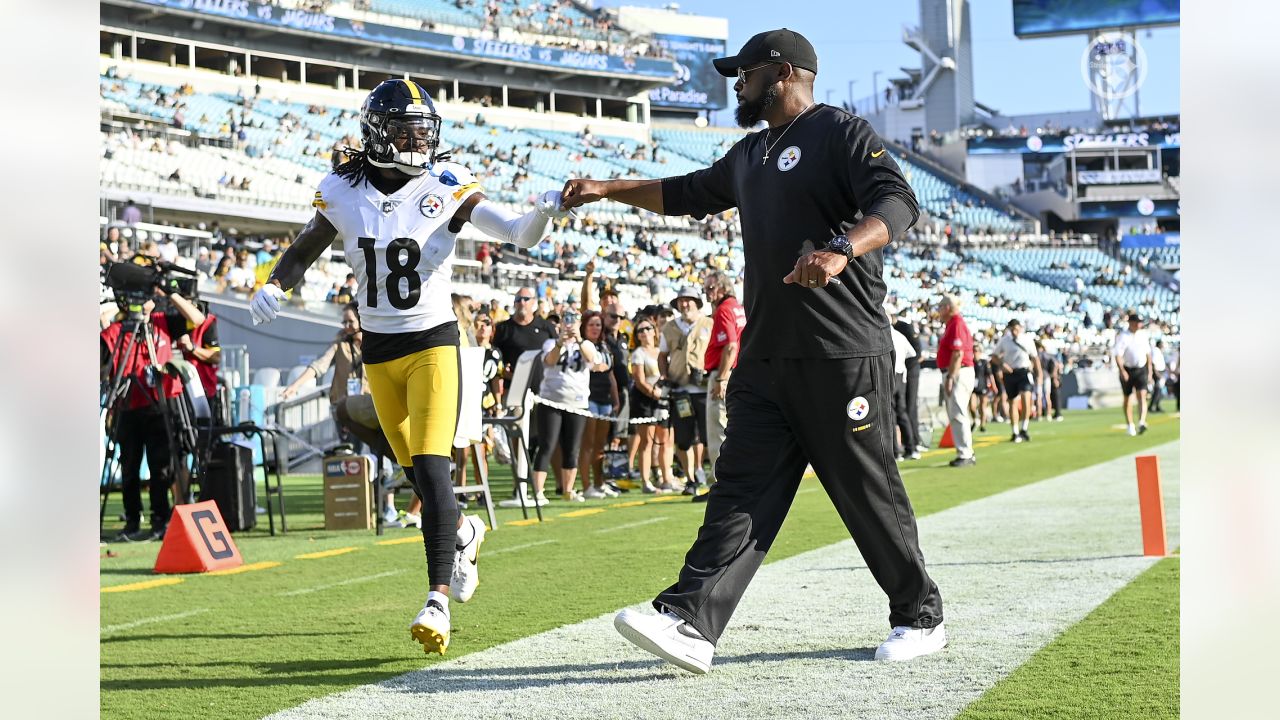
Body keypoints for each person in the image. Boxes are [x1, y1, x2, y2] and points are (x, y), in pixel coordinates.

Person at [560, 28, 945, 670]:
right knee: (741, 488)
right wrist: (606, 187)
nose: (735, 82)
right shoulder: (750, 154)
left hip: (841, 350)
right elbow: (681, 194)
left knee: (865, 490)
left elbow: (899, 203)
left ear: (784, 72)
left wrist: (842, 250)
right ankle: (689, 619)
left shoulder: (841, 133)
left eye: (744, 71)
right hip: (766, 356)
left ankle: (920, 616)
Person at [249, 79, 568, 655]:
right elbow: (304, 248)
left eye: (424, 130)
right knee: (418, 474)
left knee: (432, 466)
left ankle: (437, 600)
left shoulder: (444, 184)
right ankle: (467, 530)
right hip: (378, 352)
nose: (419, 140)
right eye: (406, 130)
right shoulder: (342, 189)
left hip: (432, 344)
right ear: (378, 133)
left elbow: (517, 233)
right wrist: (275, 282)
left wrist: (543, 212)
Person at [101, 285, 201, 541]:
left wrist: (170, 293)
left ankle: (160, 520)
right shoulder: (116, 330)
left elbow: (197, 319)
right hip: (127, 406)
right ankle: (132, 520)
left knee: (162, 468)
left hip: (161, 404)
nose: (143, 302)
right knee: (129, 468)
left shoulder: (163, 321)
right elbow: (101, 366)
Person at [530, 310, 608, 503]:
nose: (569, 324)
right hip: (551, 400)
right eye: (567, 320)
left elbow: (592, 360)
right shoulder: (551, 343)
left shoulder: (587, 344)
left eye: (573, 320)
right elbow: (549, 361)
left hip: (577, 402)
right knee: (547, 445)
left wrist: (579, 340)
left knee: (572, 447)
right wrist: (560, 342)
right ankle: (538, 491)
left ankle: (568, 489)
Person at [659, 286, 713, 495]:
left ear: (697, 302)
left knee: (710, 437)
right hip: (680, 389)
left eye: (689, 300)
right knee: (684, 438)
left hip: (704, 388)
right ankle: (691, 479)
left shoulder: (709, 323)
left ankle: (711, 476)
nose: (684, 304)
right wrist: (664, 377)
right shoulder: (670, 327)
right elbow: (662, 355)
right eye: (681, 301)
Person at [699, 270, 745, 500]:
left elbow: (730, 346)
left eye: (710, 288)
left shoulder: (725, 309)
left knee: (718, 430)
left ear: (722, 288)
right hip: (738, 372)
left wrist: (720, 378)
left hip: (724, 372)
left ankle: (720, 484)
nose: (707, 294)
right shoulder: (737, 307)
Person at [936, 294, 976, 467]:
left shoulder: (956, 323)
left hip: (959, 372)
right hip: (958, 372)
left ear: (947, 307)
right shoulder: (953, 324)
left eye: (940, 307)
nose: (938, 311)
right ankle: (964, 452)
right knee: (956, 413)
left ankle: (965, 453)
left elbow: (958, 353)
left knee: (958, 412)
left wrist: (951, 376)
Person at [628, 315, 664, 494]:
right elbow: (639, 380)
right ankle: (645, 481)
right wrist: (654, 393)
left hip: (661, 398)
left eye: (647, 328)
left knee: (662, 439)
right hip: (644, 399)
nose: (644, 333)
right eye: (640, 330)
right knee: (646, 441)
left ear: (654, 331)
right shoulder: (638, 353)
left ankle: (664, 477)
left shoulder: (659, 350)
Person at [990, 319, 1042, 443]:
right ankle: (1015, 431)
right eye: (1012, 329)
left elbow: (1035, 358)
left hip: (1024, 372)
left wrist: (1039, 374)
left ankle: (1024, 428)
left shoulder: (1027, 339)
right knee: (1012, 402)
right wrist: (1002, 365)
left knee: (1026, 398)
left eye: (1016, 329)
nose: (1014, 332)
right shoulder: (1004, 341)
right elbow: (994, 356)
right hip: (1010, 373)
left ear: (1020, 328)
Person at [1112, 313, 1153, 436]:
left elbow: (1148, 354)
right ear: (1131, 323)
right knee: (1127, 398)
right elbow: (1118, 355)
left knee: (1142, 394)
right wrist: (1122, 371)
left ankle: (1141, 421)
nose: (1139, 324)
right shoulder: (1123, 336)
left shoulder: (1143, 335)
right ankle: (1130, 424)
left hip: (1141, 369)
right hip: (1128, 369)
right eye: (1137, 322)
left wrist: (1149, 370)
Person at [893, 307, 924, 457]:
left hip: (905, 372)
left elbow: (917, 354)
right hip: (904, 372)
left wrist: (903, 366)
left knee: (904, 409)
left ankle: (908, 445)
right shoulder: (900, 331)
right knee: (903, 410)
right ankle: (910, 445)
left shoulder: (902, 328)